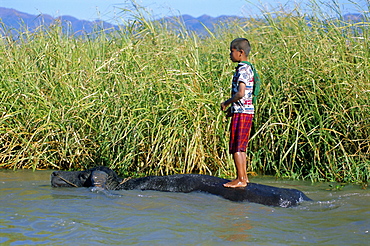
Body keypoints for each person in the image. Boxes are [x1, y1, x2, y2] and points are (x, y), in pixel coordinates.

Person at [220, 38, 256, 188]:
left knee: (237, 146)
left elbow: (241, 93)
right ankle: (244, 177)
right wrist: (231, 110)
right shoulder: (248, 68)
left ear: (240, 53)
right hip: (243, 111)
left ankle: (240, 179)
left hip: (242, 113)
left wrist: (226, 103)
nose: (230, 54)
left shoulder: (242, 69)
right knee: (240, 145)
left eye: (232, 51)